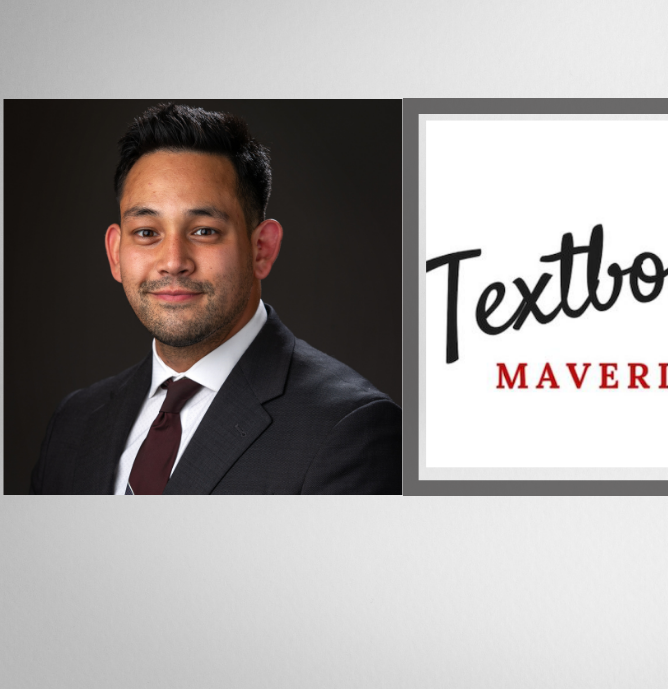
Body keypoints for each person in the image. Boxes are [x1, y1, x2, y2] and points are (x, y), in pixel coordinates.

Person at [31, 103, 402, 494]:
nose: (173, 262)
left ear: (262, 249)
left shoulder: (351, 430)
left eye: (204, 231)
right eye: (146, 232)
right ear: (115, 253)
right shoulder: (74, 422)